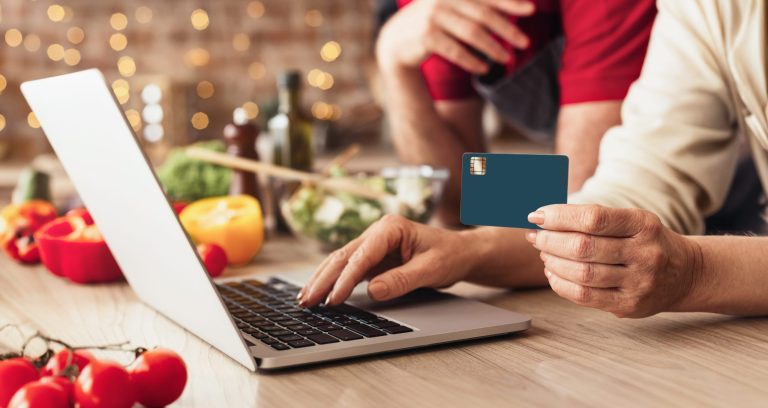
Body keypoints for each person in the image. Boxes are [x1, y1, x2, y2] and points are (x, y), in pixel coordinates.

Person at [299, 1, 768, 317]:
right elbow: (464, 199)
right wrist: (464, 249)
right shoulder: (704, 8)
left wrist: (696, 270)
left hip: (733, 221)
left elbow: (574, 193)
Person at [377, 0, 656, 225]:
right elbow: (457, 204)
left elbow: (579, 210)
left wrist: (482, 193)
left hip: (678, 217)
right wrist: (395, 66)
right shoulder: (435, 11)